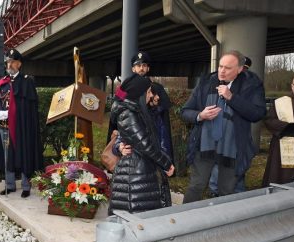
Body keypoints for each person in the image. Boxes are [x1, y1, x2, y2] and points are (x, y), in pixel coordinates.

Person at [181, 51, 266, 203]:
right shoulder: (206, 82)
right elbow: (185, 111)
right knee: (196, 186)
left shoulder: (251, 85)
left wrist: (232, 98)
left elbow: (257, 113)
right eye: (220, 66)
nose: (222, 71)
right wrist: (200, 115)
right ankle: (181, 221)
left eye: (227, 68)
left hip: (232, 148)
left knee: (227, 192)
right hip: (204, 146)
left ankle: (222, 223)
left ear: (240, 69)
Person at [110, 74, 174, 213]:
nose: (151, 95)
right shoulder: (128, 114)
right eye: (149, 91)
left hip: (141, 172)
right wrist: (166, 163)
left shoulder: (137, 111)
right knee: (136, 217)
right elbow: (146, 144)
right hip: (134, 175)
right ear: (139, 93)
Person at [0, 49, 43, 198]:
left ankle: (26, 186)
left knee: (24, 152)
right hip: (5, 125)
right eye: (8, 61)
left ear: (19, 64)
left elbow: (29, 107)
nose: (10, 64)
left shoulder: (27, 81)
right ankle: (10, 185)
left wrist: (14, 113)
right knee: (7, 155)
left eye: (13, 61)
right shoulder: (3, 82)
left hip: (21, 126)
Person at [209, 56, 255, 196]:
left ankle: (236, 200)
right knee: (216, 171)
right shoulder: (215, 83)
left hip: (237, 138)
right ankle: (215, 195)